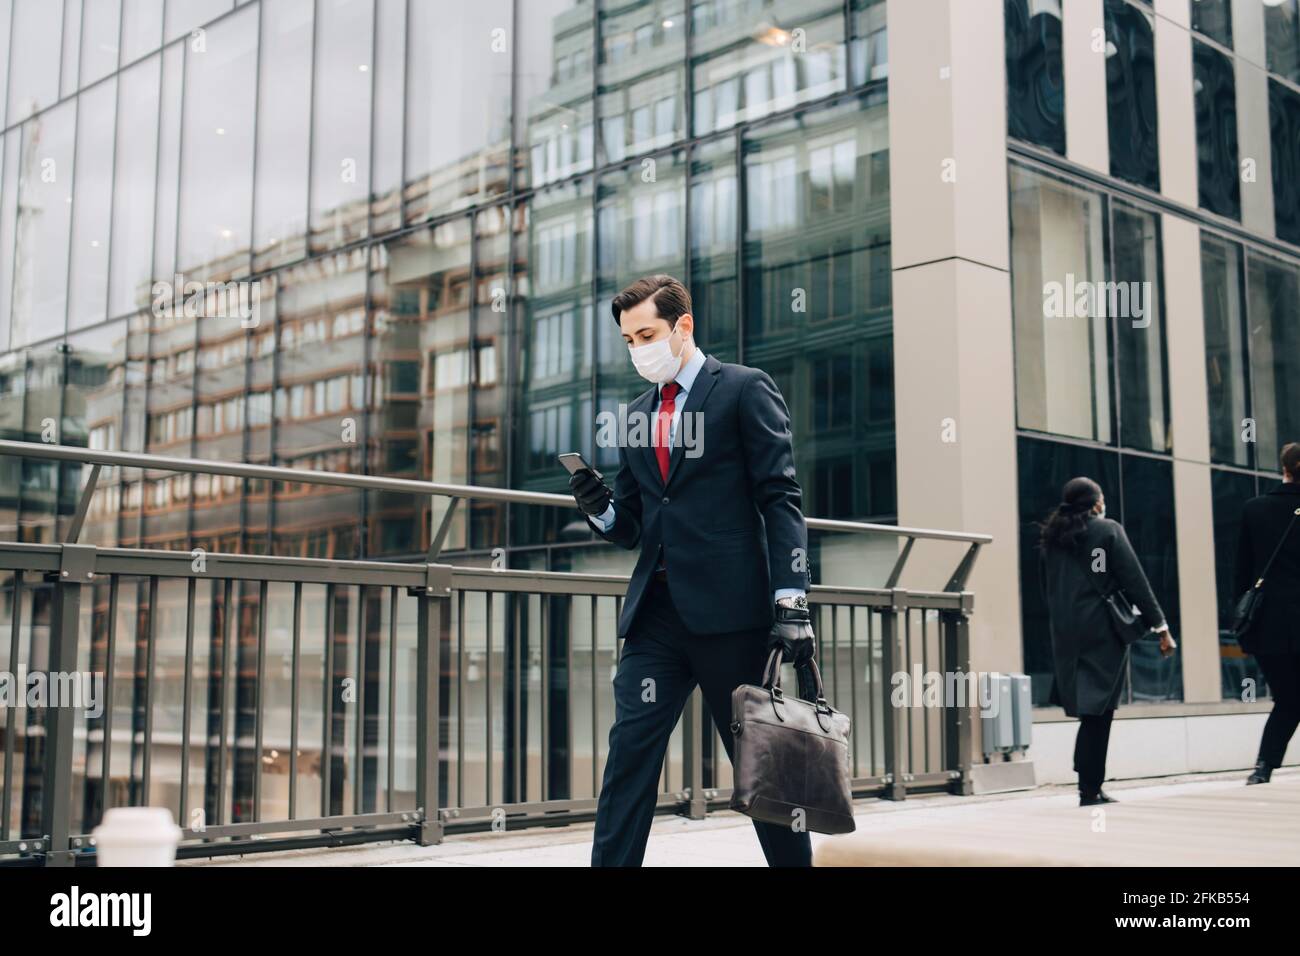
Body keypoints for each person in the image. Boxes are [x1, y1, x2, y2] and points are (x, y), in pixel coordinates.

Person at [568, 274, 816, 866]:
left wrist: (791, 600)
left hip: (730, 616)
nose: (637, 350)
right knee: (629, 757)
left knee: (761, 769)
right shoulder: (634, 414)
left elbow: (781, 497)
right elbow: (633, 526)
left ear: (684, 326)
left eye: (646, 334)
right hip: (656, 617)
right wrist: (598, 505)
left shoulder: (742, 390)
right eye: (628, 341)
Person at [1038, 477, 1176, 806]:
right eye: (1101, 498)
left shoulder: (1052, 539)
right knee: (1101, 708)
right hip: (1102, 629)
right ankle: (1089, 785)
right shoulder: (1106, 530)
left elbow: (1047, 590)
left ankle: (1088, 781)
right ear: (1095, 503)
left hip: (1066, 631)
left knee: (1092, 709)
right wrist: (1161, 627)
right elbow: (1134, 580)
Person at [1234, 442, 1300, 785]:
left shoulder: (1254, 509)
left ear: (1284, 469)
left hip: (1269, 627)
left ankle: (1263, 768)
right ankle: (1263, 766)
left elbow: (1241, 574)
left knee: (1288, 699)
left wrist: (1243, 626)